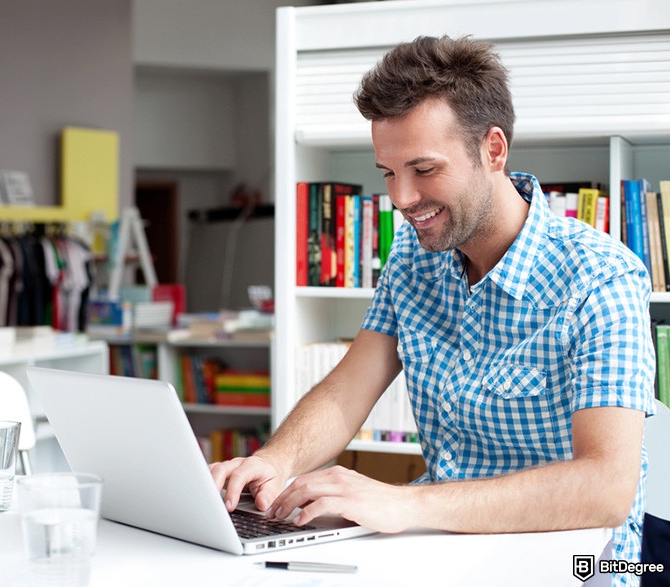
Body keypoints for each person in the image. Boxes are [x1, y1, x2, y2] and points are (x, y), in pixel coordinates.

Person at [209, 35, 656, 586]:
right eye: (388, 173)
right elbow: (347, 389)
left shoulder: (600, 278)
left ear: (493, 149)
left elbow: (605, 490)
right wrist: (273, 463)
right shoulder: (412, 258)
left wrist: (402, 505)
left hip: (578, 556)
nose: (401, 198)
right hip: (439, 545)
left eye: (423, 169)